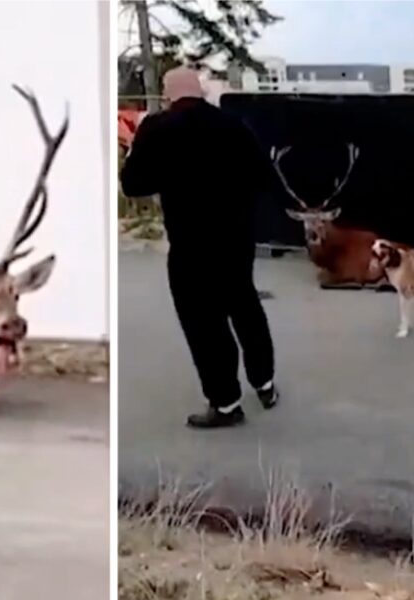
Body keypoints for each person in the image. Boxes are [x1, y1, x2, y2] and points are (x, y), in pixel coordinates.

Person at [120, 66, 278, 429]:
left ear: (167, 94)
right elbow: (263, 177)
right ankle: (265, 382)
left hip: (190, 243)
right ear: (201, 92)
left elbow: (133, 185)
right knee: (245, 307)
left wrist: (144, 159)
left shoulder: (156, 129)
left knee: (203, 323)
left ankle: (225, 402)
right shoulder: (233, 125)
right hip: (236, 240)